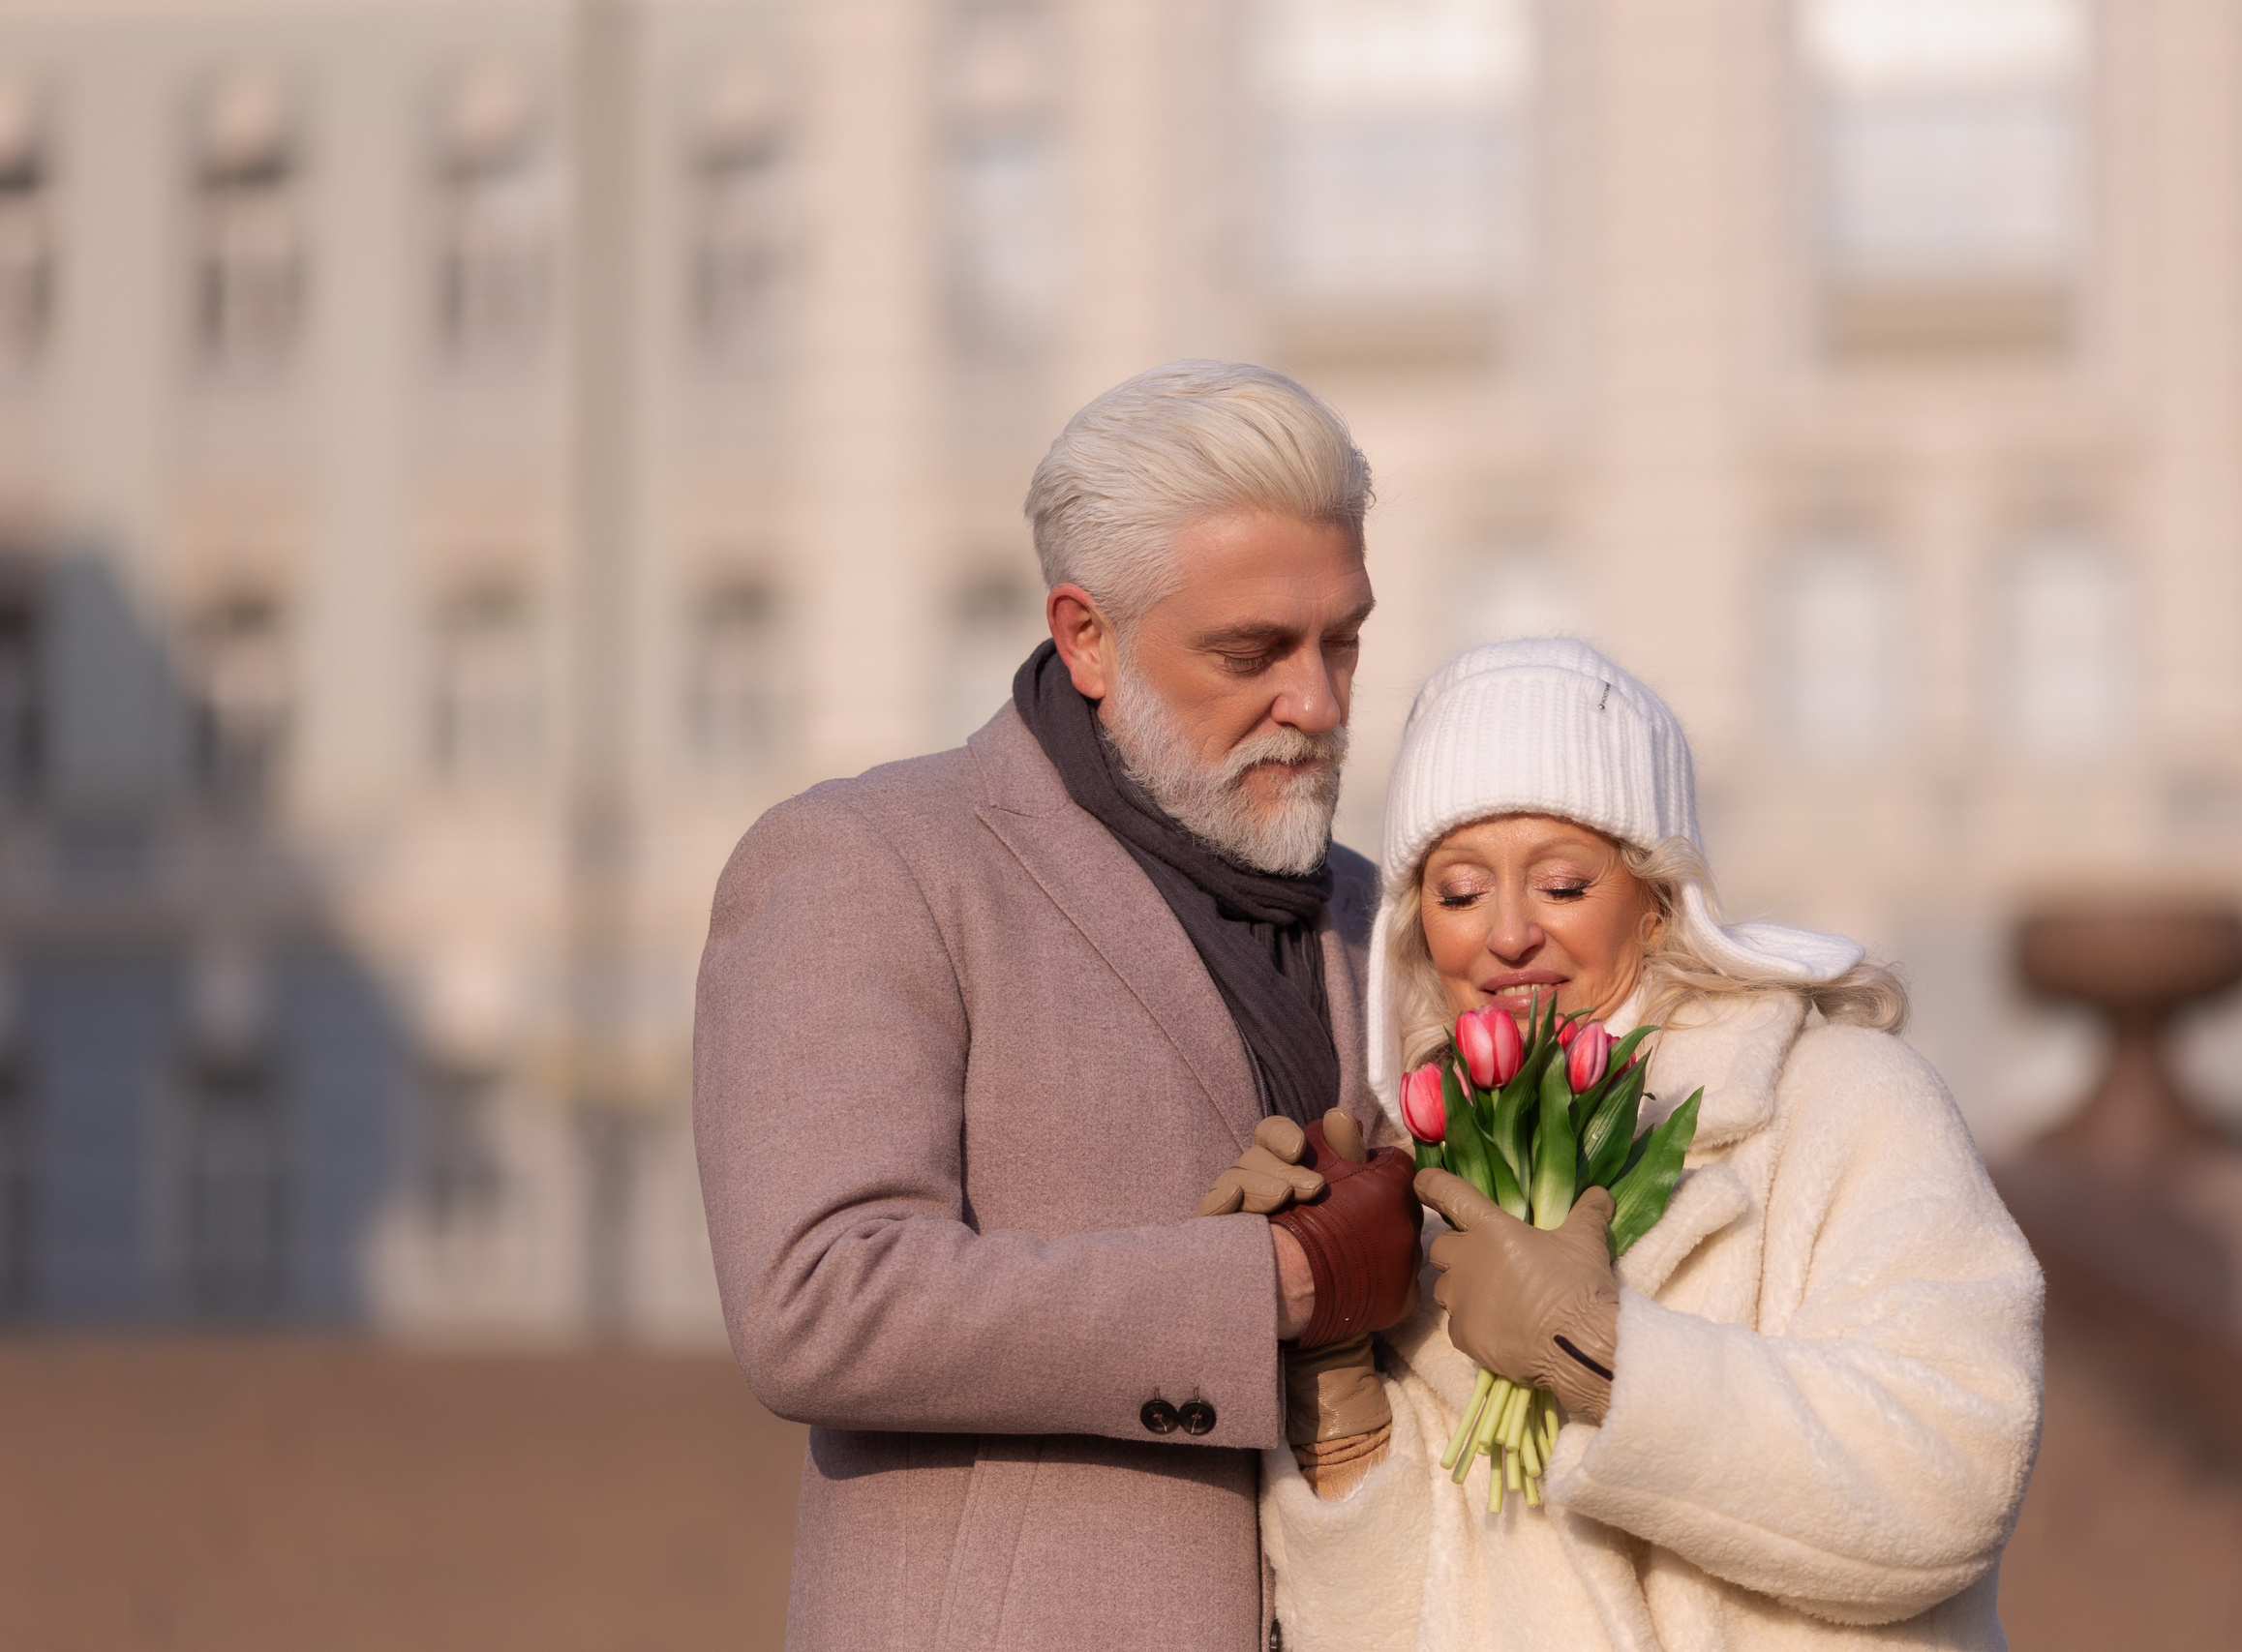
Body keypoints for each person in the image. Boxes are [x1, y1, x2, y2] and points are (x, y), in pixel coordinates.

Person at [692, 361, 1422, 1652]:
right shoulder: (868, 861)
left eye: (1343, 638)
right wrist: (1280, 1278)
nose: (1318, 702)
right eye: (1252, 650)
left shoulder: (1387, 911)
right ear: (1085, 633)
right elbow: (817, 1300)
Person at [1254, 637, 2045, 1651]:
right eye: (1458, 892)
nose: (1506, 935)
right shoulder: (1415, 1184)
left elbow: (1949, 1479)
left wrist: (1600, 1354)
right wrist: (1337, 1386)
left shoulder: (1839, 1104)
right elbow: (1382, 1627)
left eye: (1563, 884)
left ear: (1659, 904)